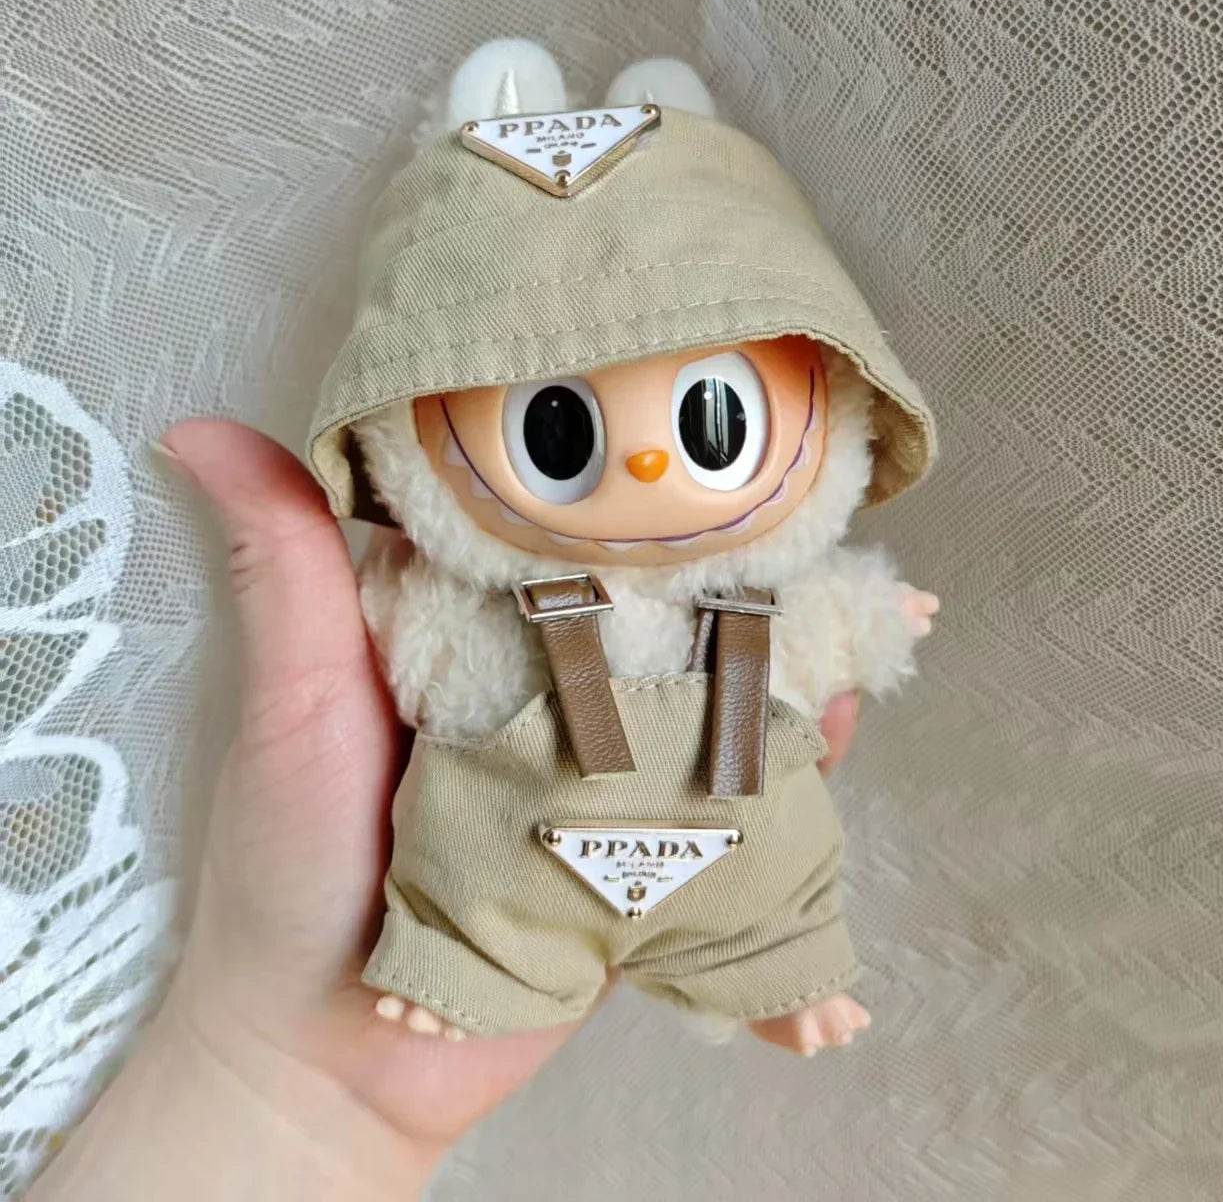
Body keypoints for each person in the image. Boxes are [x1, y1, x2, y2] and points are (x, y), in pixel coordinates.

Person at [27, 420, 861, 1201]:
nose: (646, 464)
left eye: (712, 424)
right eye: (557, 429)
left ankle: (788, 979)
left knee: (773, 906)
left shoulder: (766, 594)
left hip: (733, 808)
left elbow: (843, 620)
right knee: (473, 926)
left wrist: (875, 615)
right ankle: (449, 977)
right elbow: (426, 657)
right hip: (501, 880)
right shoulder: (481, 598)